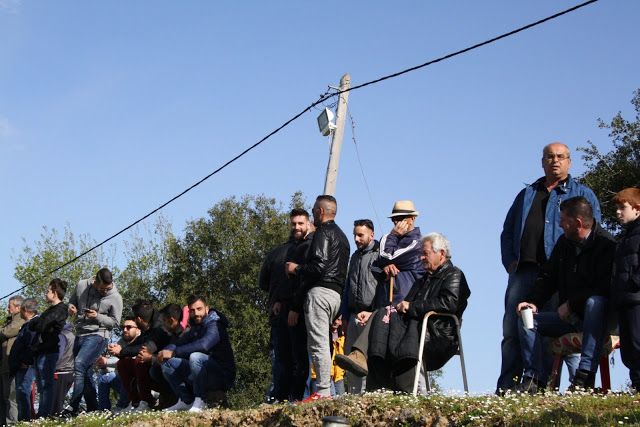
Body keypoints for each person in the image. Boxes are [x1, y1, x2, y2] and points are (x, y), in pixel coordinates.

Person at [498, 143, 602, 393]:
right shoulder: (527, 194)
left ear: (569, 162)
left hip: (561, 275)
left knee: (559, 327)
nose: (555, 161)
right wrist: (510, 260)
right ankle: (509, 387)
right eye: (549, 157)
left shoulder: (582, 194)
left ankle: (569, 386)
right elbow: (508, 229)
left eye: (560, 157)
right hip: (523, 271)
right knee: (514, 328)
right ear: (542, 161)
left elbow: (593, 235)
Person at [336, 233, 471, 393]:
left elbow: (449, 303)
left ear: (441, 253)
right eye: (421, 253)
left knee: (390, 323)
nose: (421, 258)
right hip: (416, 328)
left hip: (437, 334)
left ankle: (386, 380)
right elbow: (400, 307)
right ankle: (372, 375)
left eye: (425, 253)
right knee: (382, 313)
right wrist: (372, 314)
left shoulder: (454, 275)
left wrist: (412, 308)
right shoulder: (423, 280)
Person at [515, 197, 616, 393]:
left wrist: (572, 304)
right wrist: (533, 302)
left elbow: (605, 287)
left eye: (563, 220)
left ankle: (585, 374)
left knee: (595, 302)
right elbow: (549, 275)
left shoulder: (607, 245)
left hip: (599, 320)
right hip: (570, 318)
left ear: (577, 223)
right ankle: (534, 379)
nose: (560, 224)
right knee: (527, 319)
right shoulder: (565, 243)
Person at [285, 195, 350, 402]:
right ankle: (324, 389)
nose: (312, 214)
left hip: (320, 293)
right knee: (324, 343)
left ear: (320, 212)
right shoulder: (343, 237)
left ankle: (322, 391)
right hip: (336, 295)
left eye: (313, 210)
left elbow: (318, 266)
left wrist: (297, 269)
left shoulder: (322, 232)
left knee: (318, 343)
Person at [158, 295, 235, 413]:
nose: (196, 313)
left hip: (222, 375)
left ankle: (201, 400)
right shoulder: (195, 328)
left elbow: (204, 345)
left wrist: (173, 353)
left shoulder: (215, 325)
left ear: (207, 309)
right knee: (168, 363)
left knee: (196, 357)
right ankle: (186, 401)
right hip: (204, 374)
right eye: (192, 311)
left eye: (199, 309)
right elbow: (179, 343)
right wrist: (164, 352)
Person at [64, 268, 123, 416]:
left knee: (78, 364)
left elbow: (115, 322)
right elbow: (72, 301)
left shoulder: (115, 297)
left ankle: (73, 406)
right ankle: (93, 408)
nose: (105, 291)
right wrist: (71, 308)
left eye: (108, 288)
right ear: (95, 282)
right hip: (80, 333)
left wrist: (97, 316)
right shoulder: (81, 286)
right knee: (86, 373)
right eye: (102, 288)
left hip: (98, 335)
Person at [257, 209, 300, 402]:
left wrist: (275, 297)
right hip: (296, 311)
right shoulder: (305, 252)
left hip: (278, 312)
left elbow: (262, 282)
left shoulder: (274, 254)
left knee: (280, 359)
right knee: (297, 357)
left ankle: (278, 397)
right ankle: (291, 397)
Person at [340, 219, 382, 394]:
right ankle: (353, 397)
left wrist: (374, 312)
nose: (356, 239)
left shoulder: (380, 256)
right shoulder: (355, 257)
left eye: (360, 235)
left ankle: (368, 396)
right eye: (355, 235)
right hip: (353, 314)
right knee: (352, 360)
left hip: (370, 315)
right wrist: (344, 316)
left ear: (371, 235)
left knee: (366, 359)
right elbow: (348, 287)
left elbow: (382, 287)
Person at [111, 300, 171, 413]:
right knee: (123, 363)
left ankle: (146, 402)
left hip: (160, 368)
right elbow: (138, 343)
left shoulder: (160, 328)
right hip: (152, 366)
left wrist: (122, 351)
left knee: (140, 360)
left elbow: (146, 348)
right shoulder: (148, 326)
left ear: (138, 319)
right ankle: (135, 402)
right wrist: (120, 350)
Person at [611, 188, 640, 392]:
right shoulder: (624, 236)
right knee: (628, 349)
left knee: (637, 344)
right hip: (624, 298)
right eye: (617, 208)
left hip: (636, 298)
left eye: (623, 207)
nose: (618, 213)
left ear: (637, 209)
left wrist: (633, 283)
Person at [371, 201, 425, 308]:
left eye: (401, 218)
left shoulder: (418, 244)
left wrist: (392, 235)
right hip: (384, 302)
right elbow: (373, 267)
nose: (396, 223)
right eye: (394, 219)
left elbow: (387, 255)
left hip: (404, 304)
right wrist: (385, 266)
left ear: (412, 218)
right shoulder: (392, 240)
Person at [28, 279, 68, 418]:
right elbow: (33, 324)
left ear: (54, 293)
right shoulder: (49, 311)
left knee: (46, 384)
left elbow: (39, 325)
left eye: (48, 291)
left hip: (49, 350)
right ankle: (42, 413)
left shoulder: (60, 310)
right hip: (40, 350)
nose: (45, 294)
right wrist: (41, 323)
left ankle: (45, 414)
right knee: (41, 385)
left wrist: (41, 324)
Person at [96, 316, 140, 413]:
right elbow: (116, 361)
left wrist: (107, 362)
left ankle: (121, 407)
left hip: (140, 384)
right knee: (105, 378)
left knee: (126, 373)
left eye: (129, 327)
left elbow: (131, 361)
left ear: (138, 330)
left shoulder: (141, 341)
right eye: (123, 327)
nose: (125, 330)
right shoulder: (122, 341)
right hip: (126, 384)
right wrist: (104, 365)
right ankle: (103, 410)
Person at [8, 298, 38, 422]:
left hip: (27, 366)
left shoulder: (33, 324)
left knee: (23, 393)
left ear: (24, 309)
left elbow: (30, 344)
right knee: (20, 395)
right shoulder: (27, 325)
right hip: (21, 366)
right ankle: (23, 421)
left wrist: (26, 361)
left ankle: (25, 422)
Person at [0, 295, 24, 425]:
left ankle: (12, 423)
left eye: (10, 307)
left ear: (18, 307)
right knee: (4, 398)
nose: (8, 310)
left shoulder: (20, 320)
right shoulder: (8, 321)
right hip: (4, 365)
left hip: (13, 366)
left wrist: (3, 331)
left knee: (11, 398)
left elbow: (6, 332)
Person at [52, 322, 75, 415]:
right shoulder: (72, 335)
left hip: (60, 372)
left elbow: (58, 355)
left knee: (54, 406)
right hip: (69, 372)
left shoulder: (61, 335)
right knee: (59, 403)